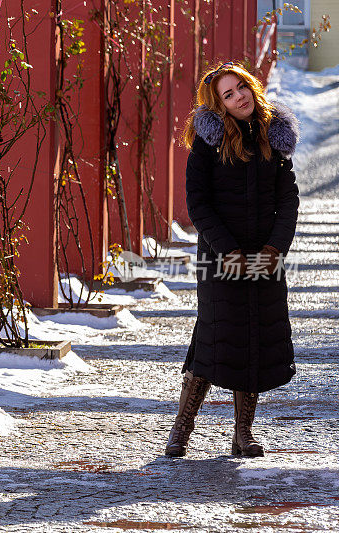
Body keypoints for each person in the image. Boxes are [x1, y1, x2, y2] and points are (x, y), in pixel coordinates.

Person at [165, 61, 300, 458]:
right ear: (219, 105)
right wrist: (230, 252)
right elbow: (198, 204)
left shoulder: (273, 138)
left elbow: (287, 199)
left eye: (241, 87)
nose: (239, 96)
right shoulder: (207, 145)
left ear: (251, 87)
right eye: (228, 93)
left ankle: (243, 436)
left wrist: (275, 249)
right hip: (221, 259)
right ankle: (181, 430)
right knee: (213, 339)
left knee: (255, 338)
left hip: (265, 257)